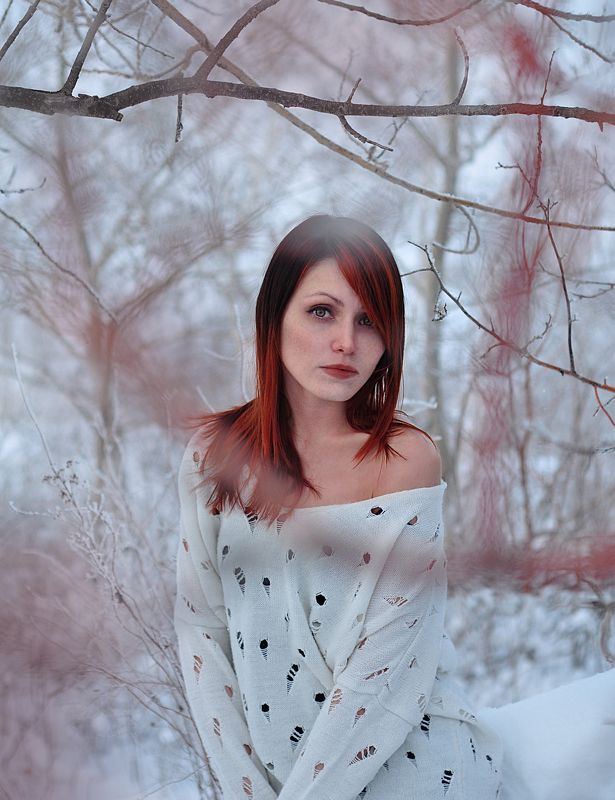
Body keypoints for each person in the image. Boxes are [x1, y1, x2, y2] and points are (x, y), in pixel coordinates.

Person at [173, 214, 504, 799]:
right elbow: (201, 632)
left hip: (417, 771)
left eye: (369, 320)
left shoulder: (405, 460)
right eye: (322, 311)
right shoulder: (212, 458)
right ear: (274, 316)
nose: (347, 341)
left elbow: (388, 673)